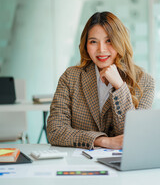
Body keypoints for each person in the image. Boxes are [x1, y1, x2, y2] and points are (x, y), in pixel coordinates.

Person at [47, 11, 155, 150]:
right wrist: (102, 141)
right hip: (79, 164)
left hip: (125, 166)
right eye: (93, 42)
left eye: (108, 40)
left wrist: (120, 87)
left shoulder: (145, 82)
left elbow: (135, 136)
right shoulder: (71, 77)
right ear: (85, 45)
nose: (101, 49)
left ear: (120, 41)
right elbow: (55, 131)